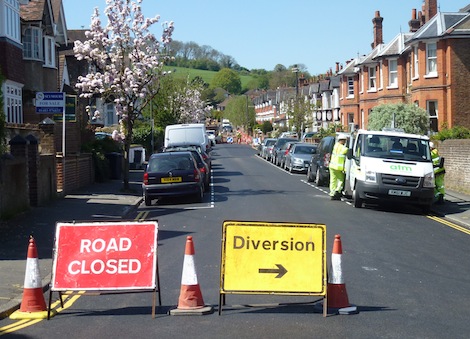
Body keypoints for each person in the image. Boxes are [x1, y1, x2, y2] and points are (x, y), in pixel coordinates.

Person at [329, 135, 349, 200]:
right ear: (342, 140)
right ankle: (337, 191)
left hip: (332, 165)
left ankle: (332, 193)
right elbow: (347, 151)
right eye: (345, 141)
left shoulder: (335, 146)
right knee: (340, 180)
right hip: (338, 167)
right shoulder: (343, 148)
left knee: (333, 180)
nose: (345, 142)